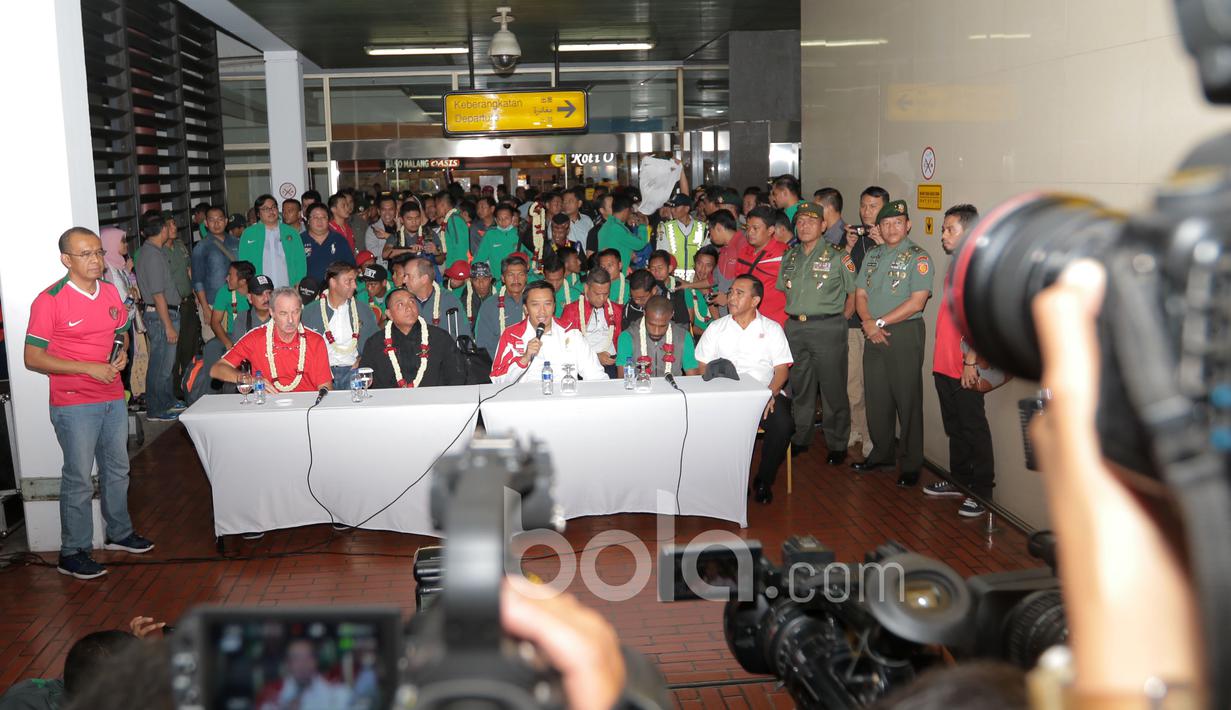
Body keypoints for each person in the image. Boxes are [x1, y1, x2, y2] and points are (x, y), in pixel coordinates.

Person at [25, 227, 152, 580]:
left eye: (98, 252)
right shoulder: (50, 300)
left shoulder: (110, 291)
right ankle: (73, 551)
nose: (96, 259)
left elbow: (119, 331)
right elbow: (33, 357)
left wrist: (123, 354)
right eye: (86, 254)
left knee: (118, 469)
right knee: (80, 477)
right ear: (67, 260)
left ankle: (118, 532)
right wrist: (87, 368)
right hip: (73, 402)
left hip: (112, 395)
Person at [851, 200, 933, 488]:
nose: (891, 228)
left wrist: (879, 323)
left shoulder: (917, 257)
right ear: (879, 228)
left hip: (903, 333)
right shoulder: (872, 256)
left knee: (907, 400)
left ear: (908, 225)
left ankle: (911, 464)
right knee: (876, 397)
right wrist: (868, 321)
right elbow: (860, 294)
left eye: (898, 222)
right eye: (886, 224)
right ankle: (882, 454)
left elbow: (917, 301)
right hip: (872, 331)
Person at [695, 275, 793, 504]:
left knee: (783, 423)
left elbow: (782, 371)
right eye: (731, 292)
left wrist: (770, 393)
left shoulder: (771, 328)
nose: (731, 297)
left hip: (763, 393)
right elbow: (702, 367)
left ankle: (763, 480)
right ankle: (733, 481)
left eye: (740, 293)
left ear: (755, 300)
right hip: (725, 396)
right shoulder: (716, 328)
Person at [926, 204, 995, 517]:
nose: (943, 235)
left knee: (973, 428)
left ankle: (981, 492)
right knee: (955, 427)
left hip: (964, 366)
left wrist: (970, 361)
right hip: (945, 363)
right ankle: (960, 480)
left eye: (949, 229)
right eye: (943, 229)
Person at [778, 201, 856, 464]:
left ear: (824, 226)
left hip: (827, 327)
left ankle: (837, 443)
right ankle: (802, 436)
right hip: (795, 328)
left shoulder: (838, 255)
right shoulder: (790, 256)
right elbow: (782, 291)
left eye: (811, 221)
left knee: (833, 388)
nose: (804, 226)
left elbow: (854, 291)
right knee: (801, 386)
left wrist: (841, 318)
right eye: (800, 221)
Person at [211, 287, 333, 393]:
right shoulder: (256, 338)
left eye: (295, 312)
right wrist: (252, 380)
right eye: (283, 313)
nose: (291, 320)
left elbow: (325, 388)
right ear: (272, 313)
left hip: (305, 409)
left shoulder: (315, 341)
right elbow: (217, 369)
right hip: (267, 408)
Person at [843, 186, 889, 457]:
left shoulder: (891, 238)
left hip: (878, 322)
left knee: (874, 386)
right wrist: (848, 247)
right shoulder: (856, 239)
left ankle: (874, 435)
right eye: (863, 206)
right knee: (853, 383)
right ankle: (856, 428)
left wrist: (882, 242)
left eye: (873, 206)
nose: (866, 212)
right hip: (853, 323)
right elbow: (846, 275)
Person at [489, 281, 607, 384]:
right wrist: (524, 358)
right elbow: (497, 379)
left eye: (547, 304)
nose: (542, 311)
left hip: (564, 402)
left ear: (554, 306)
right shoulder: (511, 335)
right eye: (535, 305)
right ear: (525, 308)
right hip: (525, 404)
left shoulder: (571, 333)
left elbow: (596, 376)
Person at [360, 288, 466, 388]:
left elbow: (457, 375)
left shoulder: (440, 338)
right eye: (400, 304)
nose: (409, 308)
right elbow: (366, 381)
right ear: (389, 314)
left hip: (433, 403)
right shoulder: (375, 343)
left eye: (412, 302)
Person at [300, 262, 379, 390]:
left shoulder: (363, 310)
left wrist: (363, 360)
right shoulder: (310, 312)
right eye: (348, 281)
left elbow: (376, 343)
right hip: (321, 374)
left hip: (353, 372)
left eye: (354, 281)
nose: (354, 286)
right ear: (333, 282)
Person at [133, 213, 181, 422]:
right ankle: (155, 408)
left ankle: (167, 400)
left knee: (166, 365)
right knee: (160, 365)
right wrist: (168, 325)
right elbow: (157, 294)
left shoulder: (152, 251)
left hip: (165, 313)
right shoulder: (151, 255)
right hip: (162, 315)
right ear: (162, 229)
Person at [615, 295, 700, 379]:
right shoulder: (627, 337)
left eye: (662, 326)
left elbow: (692, 379)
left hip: (673, 390)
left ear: (671, 315)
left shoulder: (683, 336)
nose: (656, 332)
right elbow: (623, 379)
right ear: (644, 313)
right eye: (651, 325)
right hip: (639, 389)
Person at [99, 227, 140, 397]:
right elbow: (109, 303)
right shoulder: (105, 269)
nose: (126, 244)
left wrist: (130, 272)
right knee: (117, 364)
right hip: (116, 327)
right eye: (122, 241)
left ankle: (125, 397)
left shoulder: (120, 265)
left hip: (127, 321)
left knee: (126, 363)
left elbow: (131, 291)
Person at [557, 268, 621, 377]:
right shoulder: (572, 310)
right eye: (597, 294)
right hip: (583, 365)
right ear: (586, 288)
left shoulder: (616, 309)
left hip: (612, 364)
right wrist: (595, 357)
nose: (601, 299)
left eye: (606, 294)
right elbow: (565, 347)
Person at [259, 638, 352, 710]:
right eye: (296, 659)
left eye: (307, 658)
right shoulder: (273, 694)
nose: (302, 665)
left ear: (316, 661)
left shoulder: (337, 692)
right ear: (288, 664)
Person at [239, 194, 307, 289]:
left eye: (273, 207)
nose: (271, 211)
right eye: (265, 209)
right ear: (258, 213)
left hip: (287, 288)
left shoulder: (291, 232)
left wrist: (299, 282)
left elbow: (300, 261)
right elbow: (243, 264)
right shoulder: (249, 234)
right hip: (260, 289)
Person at [190, 206, 238, 341]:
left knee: (236, 343)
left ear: (226, 221)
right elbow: (197, 280)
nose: (216, 224)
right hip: (211, 303)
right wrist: (205, 308)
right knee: (213, 345)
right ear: (206, 223)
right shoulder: (201, 247)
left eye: (220, 219)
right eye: (212, 220)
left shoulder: (236, 243)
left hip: (235, 303)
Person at [734, 205, 788, 325]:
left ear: (770, 230)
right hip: (746, 322)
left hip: (775, 323)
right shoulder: (743, 252)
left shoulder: (784, 254)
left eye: (755, 228)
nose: (750, 232)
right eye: (747, 228)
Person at [403, 256, 471, 342]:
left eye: (408, 276)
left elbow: (464, 336)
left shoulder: (449, 300)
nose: (404, 280)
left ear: (424, 279)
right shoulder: (403, 300)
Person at [474, 255, 529, 355]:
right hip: (499, 366)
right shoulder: (490, 306)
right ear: (503, 278)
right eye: (511, 275)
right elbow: (483, 346)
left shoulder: (535, 301)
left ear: (526, 277)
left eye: (520, 274)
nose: (516, 280)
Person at [656, 192, 708, 283]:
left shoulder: (703, 228)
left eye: (676, 207)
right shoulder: (665, 227)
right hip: (674, 280)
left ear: (687, 208)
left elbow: (708, 256)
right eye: (671, 207)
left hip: (697, 280)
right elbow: (662, 255)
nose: (672, 210)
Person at [300, 203, 355, 284]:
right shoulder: (300, 240)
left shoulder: (339, 239)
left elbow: (350, 267)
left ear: (329, 220)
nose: (320, 220)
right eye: (315, 217)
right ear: (308, 220)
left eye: (323, 217)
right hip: (307, 290)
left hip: (335, 290)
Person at [208, 261, 256, 353]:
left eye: (230, 276)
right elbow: (215, 322)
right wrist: (227, 343)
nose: (227, 278)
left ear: (243, 281)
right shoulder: (224, 292)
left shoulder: (258, 292)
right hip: (233, 336)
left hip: (254, 336)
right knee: (211, 347)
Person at [597, 195, 648, 273]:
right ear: (626, 210)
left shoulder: (608, 225)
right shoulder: (616, 228)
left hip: (608, 273)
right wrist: (642, 226)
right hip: (615, 276)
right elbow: (640, 244)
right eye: (630, 211)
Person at [681, 245, 723, 337]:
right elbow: (689, 324)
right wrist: (707, 336)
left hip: (719, 336)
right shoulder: (687, 291)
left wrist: (706, 292)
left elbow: (719, 321)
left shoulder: (720, 289)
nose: (702, 269)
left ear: (715, 268)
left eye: (708, 265)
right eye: (699, 263)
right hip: (698, 339)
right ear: (694, 264)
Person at [473, 202, 525, 276]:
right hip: (497, 279)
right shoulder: (490, 235)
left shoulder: (520, 234)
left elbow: (529, 257)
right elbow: (480, 257)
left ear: (513, 218)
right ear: (496, 220)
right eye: (499, 219)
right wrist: (473, 272)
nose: (503, 221)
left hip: (516, 278)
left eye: (506, 218)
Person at [229, 274, 273, 342]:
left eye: (269, 293)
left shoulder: (281, 317)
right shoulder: (242, 319)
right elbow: (238, 349)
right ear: (249, 298)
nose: (266, 298)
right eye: (260, 294)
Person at [434, 190, 470, 264]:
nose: (435, 209)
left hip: (457, 267)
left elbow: (460, 246)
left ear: (442, 204)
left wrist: (458, 269)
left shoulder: (454, 220)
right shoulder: (451, 219)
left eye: (436, 205)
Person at [363, 195, 400, 266]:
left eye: (391, 209)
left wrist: (389, 238)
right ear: (379, 211)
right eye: (384, 210)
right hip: (384, 269)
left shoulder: (402, 226)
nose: (387, 213)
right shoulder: (373, 229)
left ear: (396, 210)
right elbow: (372, 253)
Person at [456, 261, 493, 327]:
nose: (481, 283)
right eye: (476, 280)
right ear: (471, 280)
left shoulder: (500, 299)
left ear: (490, 279)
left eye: (485, 279)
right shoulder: (463, 302)